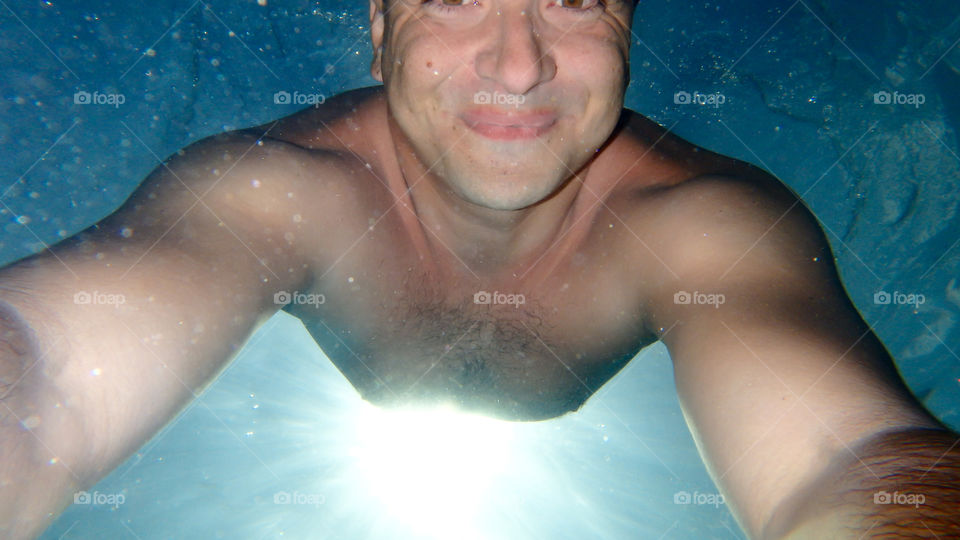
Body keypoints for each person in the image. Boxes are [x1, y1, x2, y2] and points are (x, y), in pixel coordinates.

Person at [1, 1, 957, 538]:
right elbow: (44, 373)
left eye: (575, 0)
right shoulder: (276, 189)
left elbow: (852, 462)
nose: (516, 64)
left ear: (632, 30)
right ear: (378, 29)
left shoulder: (699, 221)